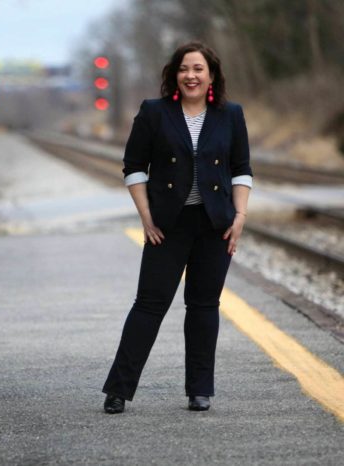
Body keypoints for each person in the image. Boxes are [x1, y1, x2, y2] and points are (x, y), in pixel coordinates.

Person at [102, 41, 253, 413]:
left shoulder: (230, 115)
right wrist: (146, 216)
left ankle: (199, 390)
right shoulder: (155, 112)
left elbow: (241, 170)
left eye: (199, 69)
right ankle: (118, 389)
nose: (191, 75)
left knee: (204, 306)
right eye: (185, 69)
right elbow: (134, 166)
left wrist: (239, 219)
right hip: (167, 226)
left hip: (215, 225)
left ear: (212, 75)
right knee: (149, 306)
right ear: (175, 75)